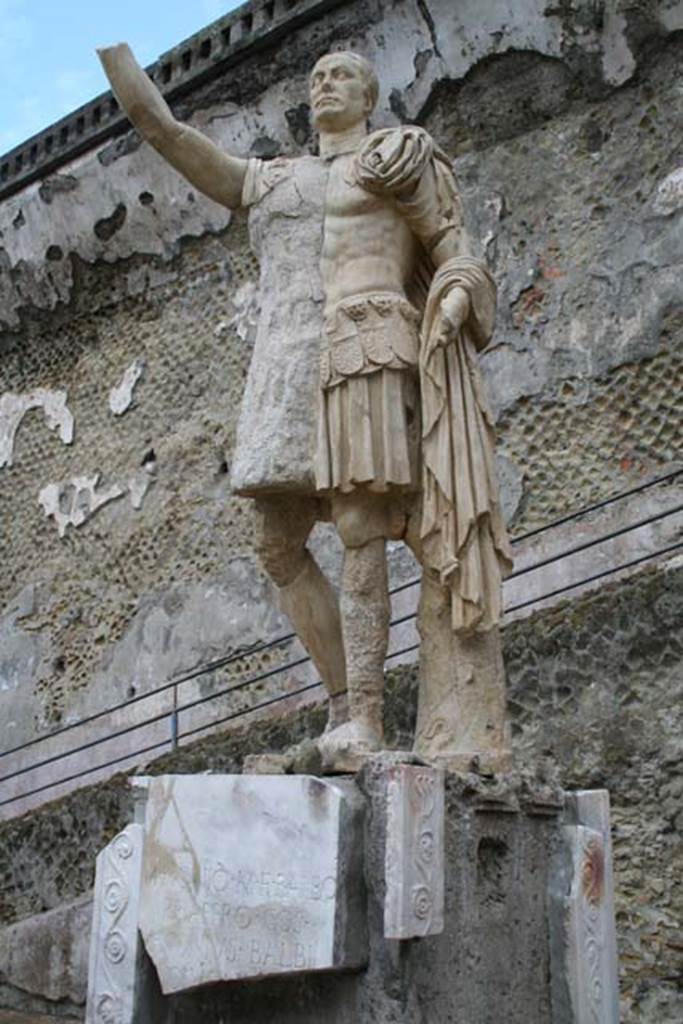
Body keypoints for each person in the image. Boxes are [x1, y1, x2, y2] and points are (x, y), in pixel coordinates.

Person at [98, 45, 512, 770]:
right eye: (315, 76)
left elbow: (454, 248)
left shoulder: (394, 159)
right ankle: (340, 702)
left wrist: (453, 294)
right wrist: (117, 62)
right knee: (276, 544)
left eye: (341, 75)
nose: (324, 83)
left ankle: (367, 721)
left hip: (368, 346)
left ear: (368, 95)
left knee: (359, 528)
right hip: (288, 369)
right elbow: (168, 134)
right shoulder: (272, 180)